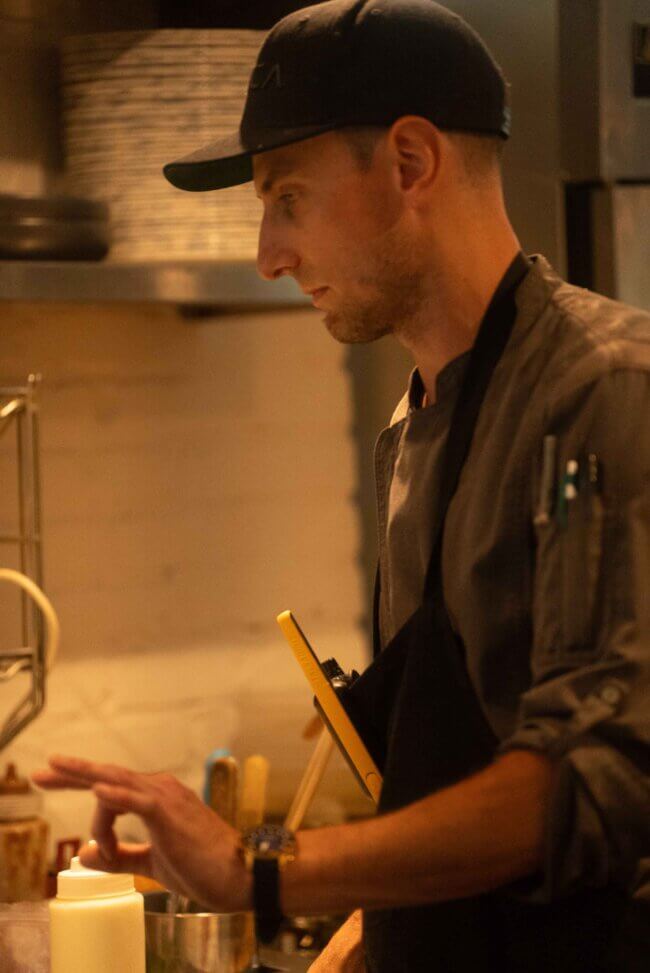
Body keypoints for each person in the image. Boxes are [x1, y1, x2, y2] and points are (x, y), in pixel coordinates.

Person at [34, 2, 650, 970]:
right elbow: (444, 771)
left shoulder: (604, 390)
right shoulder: (408, 429)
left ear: (408, 162)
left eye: (286, 197)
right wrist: (370, 925)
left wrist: (264, 865)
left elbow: (594, 782)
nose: (267, 257)